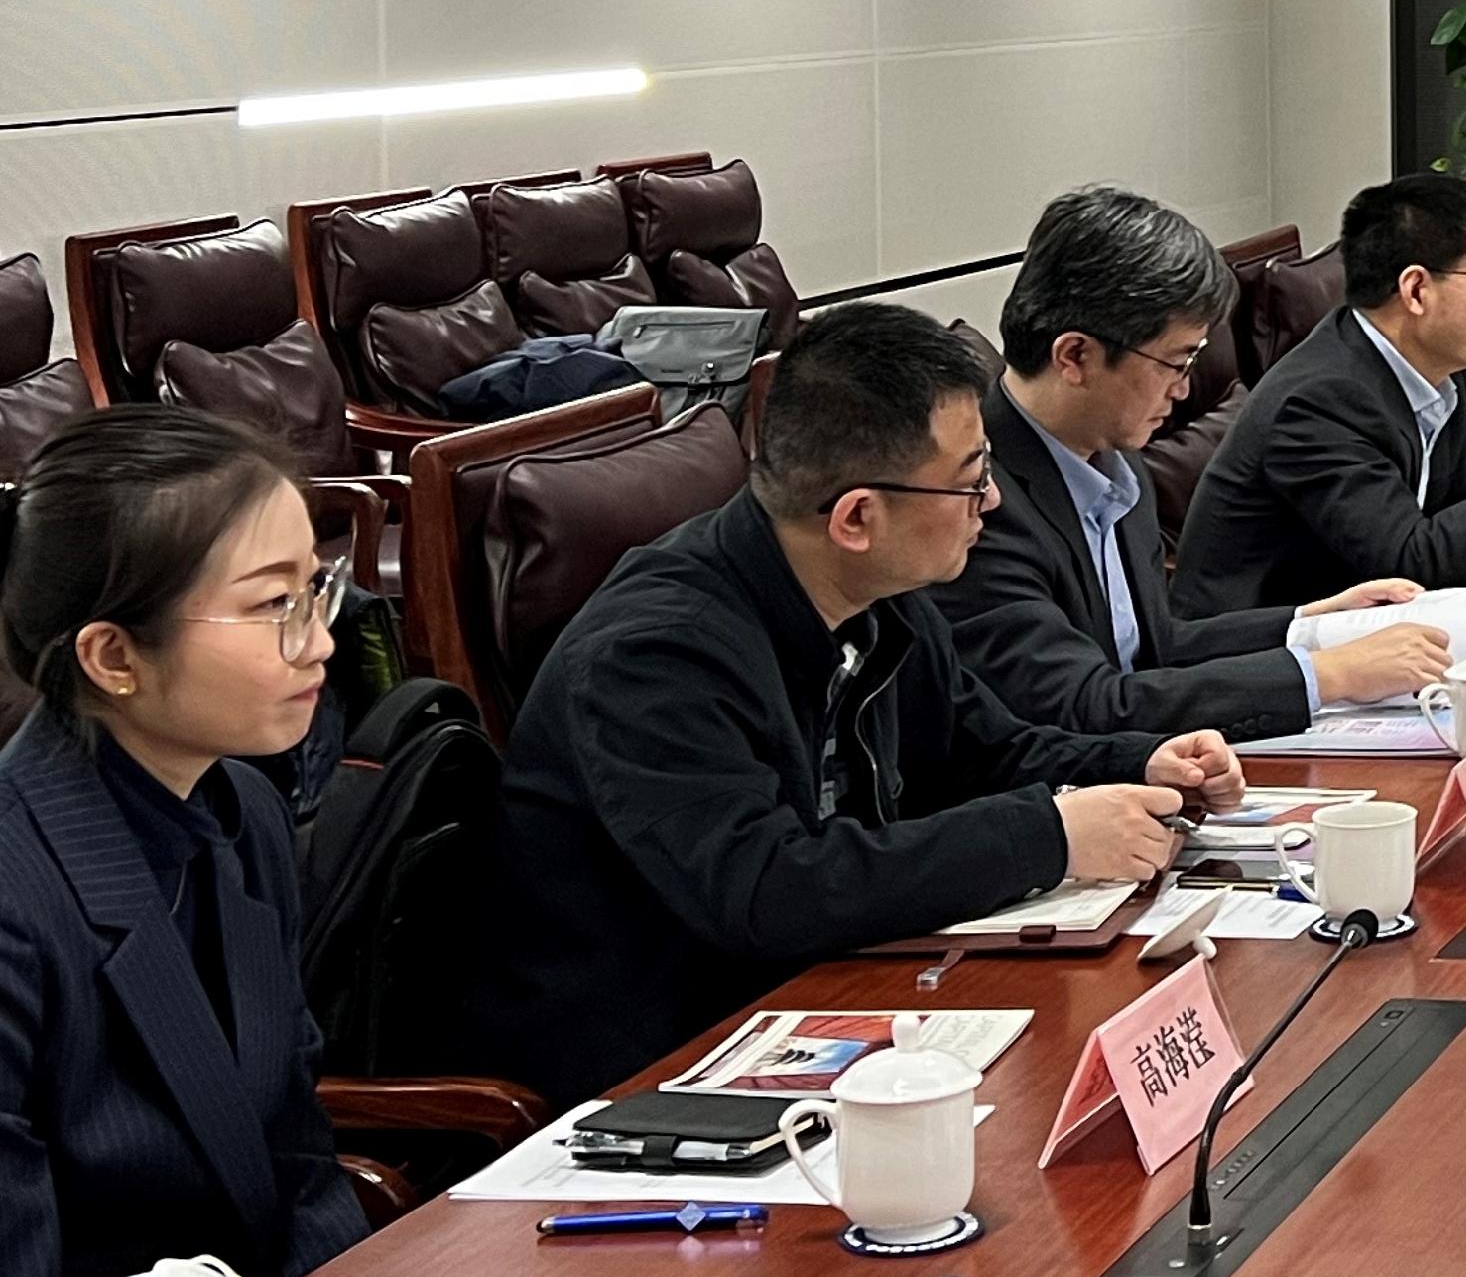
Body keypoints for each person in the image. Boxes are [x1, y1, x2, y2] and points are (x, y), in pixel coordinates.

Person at [476, 305, 1228, 1110]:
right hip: (658, 1065)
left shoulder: (873, 593)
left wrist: (1140, 762)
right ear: (858, 516)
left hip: (830, 989)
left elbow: (980, 752)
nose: (996, 500)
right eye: (972, 477)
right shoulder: (655, 656)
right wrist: (1049, 836)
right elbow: (765, 890)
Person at [0, 411, 366, 1277]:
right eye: (273, 608)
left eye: (316, 591)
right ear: (115, 656)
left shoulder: (238, 806)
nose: (323, 641)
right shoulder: (16, 902)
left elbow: (294, 1154)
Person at [943, 187, 1457, 744]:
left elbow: (1152, 646)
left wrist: (1314, 624)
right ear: (1075, 356)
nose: (1184, 387)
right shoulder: (974, 502)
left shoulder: (1115, 463)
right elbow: (1082, 703)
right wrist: (1328, 674)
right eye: (1175, 360)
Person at [1170, 172, 1466, 616]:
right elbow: (1410, 561)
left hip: (1378, 642)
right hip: (1259, 669)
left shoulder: (1431, 371)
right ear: (1416, 290)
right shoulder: (1320, 400)